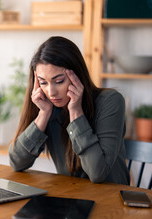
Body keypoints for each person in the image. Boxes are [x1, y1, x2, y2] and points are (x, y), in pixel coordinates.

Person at [9, 36, 130, 185]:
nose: (51, 92)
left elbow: (97, 173)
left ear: (76, 75)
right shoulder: (47, 104)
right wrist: (43, 114)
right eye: (43, 82)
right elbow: (16, 162)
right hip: (70, 198)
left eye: (59, 81)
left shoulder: (110, 101)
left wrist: (76, 113)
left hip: (109, 201)